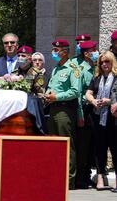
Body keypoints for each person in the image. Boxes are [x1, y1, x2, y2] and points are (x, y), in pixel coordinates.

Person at [45, 39, 81, 190]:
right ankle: (55, 176)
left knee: (67, 144)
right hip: (53, 109)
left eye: (56, 50)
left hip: (64, 110)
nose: (53, 53)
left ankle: (69, 180)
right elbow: (52, 87)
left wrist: (56, 97)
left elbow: (75, 91)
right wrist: (47, 95)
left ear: (64, 52)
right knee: (54, 144)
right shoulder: (55, 68)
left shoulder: (73, 68)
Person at [87, 51, 117, 191]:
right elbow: (88, 92)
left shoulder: (116, 77)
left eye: (107, 62)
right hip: (97, 117)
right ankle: (100, 178)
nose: (104, 64)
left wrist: (110, 101)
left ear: (112, 62)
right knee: (99, 148)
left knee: (115, 148)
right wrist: (93, 101)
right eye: (102, 62)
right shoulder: (97, 77)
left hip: (113, 117)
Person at [75, 41, 99, 189]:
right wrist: (79, 115)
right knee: (83, 146)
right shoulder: (81, 69)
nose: (96, 51)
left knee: (91, 145)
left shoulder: (94, 68)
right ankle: (80, 177)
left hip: (94, 109)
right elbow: (78, 93)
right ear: (86, 53)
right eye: (93, 50)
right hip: (84, 110)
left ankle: (87, 175)